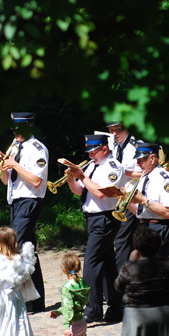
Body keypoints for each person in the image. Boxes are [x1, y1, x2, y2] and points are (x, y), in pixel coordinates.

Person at [66, 134, 128, 324]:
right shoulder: (92, 166)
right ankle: (116, 307)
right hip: (92, 218)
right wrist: (71, 179)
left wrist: (81, 176)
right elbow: (80, 190)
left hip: (105, 218)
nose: (90, 154)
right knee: (108, 264)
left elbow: (101, 193)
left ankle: (93, 309)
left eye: (93, 150)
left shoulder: (113, 166)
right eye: (89, 151)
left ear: (104, 149)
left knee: (91, 263)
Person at [1, 112, 48, 312]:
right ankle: (36, 301)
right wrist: (4, 168)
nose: (15, 133)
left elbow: (36, 180)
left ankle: (19, 297)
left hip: (30, 200)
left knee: (17, 246)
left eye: (18, 129)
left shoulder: (38, 149)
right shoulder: (15, 147)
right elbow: (6, 181)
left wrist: (15, 165)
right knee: (28, 249)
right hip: (15, 201)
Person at [124, 142, 169, 258]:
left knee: (156, 265)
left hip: (160, 227)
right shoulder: (145, 177)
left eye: (141, 160)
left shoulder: (164, 178)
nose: (138, 164)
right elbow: (140, 212)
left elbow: (167, 212)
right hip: (145, 226)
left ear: (152, 159)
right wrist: (125, 201)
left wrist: (143, 200)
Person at [106, 121, 141, 270]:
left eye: (118, 130)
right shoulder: (114, 146)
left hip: (131, 197)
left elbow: (144, 172)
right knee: (125, 239)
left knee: (122, 240)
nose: (114, 134)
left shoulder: (136, 146)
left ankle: (120, 277)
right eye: (111, 130)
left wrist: (122, 171)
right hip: (117, 197)